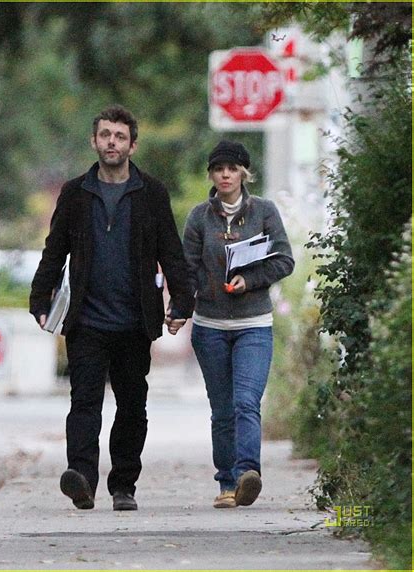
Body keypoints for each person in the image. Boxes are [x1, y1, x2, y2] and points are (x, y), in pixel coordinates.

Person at [30, 105, 194, 511]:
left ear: (132, 145)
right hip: (86, 318)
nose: (112, 143)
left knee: (132, 405)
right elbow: (56, 249)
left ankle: (124, 485)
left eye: (120, 137)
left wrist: (182, 300)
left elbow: (170, 251)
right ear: (94, 141)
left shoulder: (151, 193)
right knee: (83, 402)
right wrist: (41, 296)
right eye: (105, 135)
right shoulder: (76, 193)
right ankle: (82, 479)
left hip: (135, 319)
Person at [177, 140, 294, 509]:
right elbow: (187, 269)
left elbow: (284, 260)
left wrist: (251, 279)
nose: (225, 174)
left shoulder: (265, 212)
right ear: (211, 174)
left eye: (232, 168)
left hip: (253, 324)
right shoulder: (199, 217)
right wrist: (182, 306)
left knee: (247, 401)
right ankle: (226, 483)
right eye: (218, 168)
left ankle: (247, 474)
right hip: (210, 325)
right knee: (223, 408)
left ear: (244, 172)